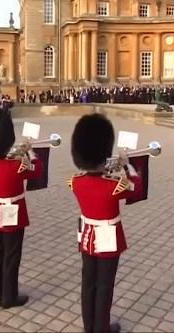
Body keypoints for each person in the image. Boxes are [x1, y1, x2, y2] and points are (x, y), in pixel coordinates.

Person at [69, 114, 143, 333]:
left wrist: (104, 169)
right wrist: (127, 166)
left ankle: (89, 325)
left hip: (87, 236)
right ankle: (101, 328)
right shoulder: (114, 185)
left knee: (88, 283)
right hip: (108, 238)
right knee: (104, 286)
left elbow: (91, 178)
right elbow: (137, 187)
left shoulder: (75, 181)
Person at [0, 108, 43, 309]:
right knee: (11, 256)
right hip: (12, 214)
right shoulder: (15, 165)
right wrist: (30, 151)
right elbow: (37, 169)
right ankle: (9, 297)